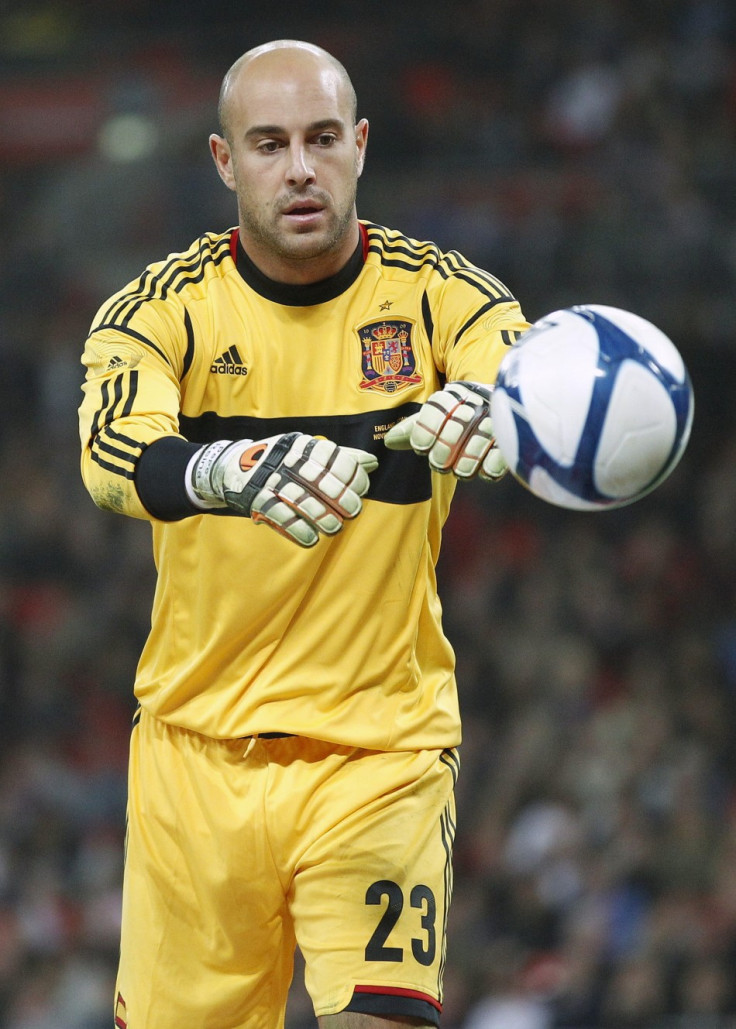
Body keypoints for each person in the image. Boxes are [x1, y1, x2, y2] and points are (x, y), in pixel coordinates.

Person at [78, 39, 530, 1029]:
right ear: (223, 161)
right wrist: (224, 473)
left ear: (360, 146)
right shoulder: (160, 312)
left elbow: (532, 370)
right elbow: (112, 455)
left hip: (380, 754)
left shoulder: (440, 295)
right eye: (269, 144)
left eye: (323, 140)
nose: (299, 169)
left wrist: (502, 410)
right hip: (196, 759)